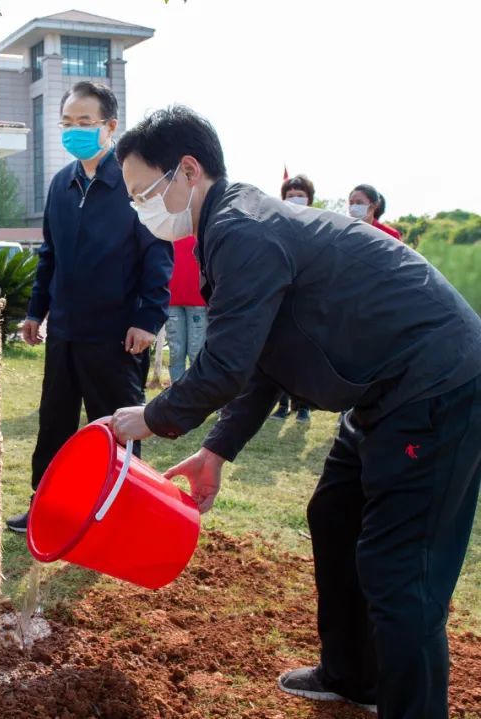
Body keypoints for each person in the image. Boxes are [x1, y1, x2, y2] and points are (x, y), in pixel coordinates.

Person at [110, 106, 481, 719]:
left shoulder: (241, 230)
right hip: (380, 392)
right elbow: (262, 365)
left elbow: (225, 368)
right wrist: (216, 451)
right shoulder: (230, 227)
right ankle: (352, 674)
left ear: (188, 170)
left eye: (143, 192)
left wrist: (150, 417)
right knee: (333, 513)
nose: (141, 209)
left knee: (401, 573)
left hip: (435, 387)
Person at [5, 82, 173, 533]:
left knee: (118, 424)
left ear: (110, 126)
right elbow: (50, 256)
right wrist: (35, 312)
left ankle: (120, 509)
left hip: (118, 334)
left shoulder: (134, 184)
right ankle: (46, 503)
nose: (74, 131)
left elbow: (157, 254)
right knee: (54, 422)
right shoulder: (61, 184)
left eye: (85, 123)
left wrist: (148, 318)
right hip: (65, 331)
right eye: (67, 123)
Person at [269, 175, 315, 422]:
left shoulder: (318, 226)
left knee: (305, 356)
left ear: (309, 198)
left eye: (300, 194)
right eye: (290, 195)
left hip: (309, 300)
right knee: (281, 355)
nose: (296, 199)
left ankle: (304, 405)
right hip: (283, 299)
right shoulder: (277, 225)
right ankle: (282, 405)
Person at [165, 234, 205, 384]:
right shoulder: (166, 233)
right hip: (172, 300)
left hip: (198, 301)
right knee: (176, 352)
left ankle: (197, 396)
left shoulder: (200, 232)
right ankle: (176, 396)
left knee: (196, 352)